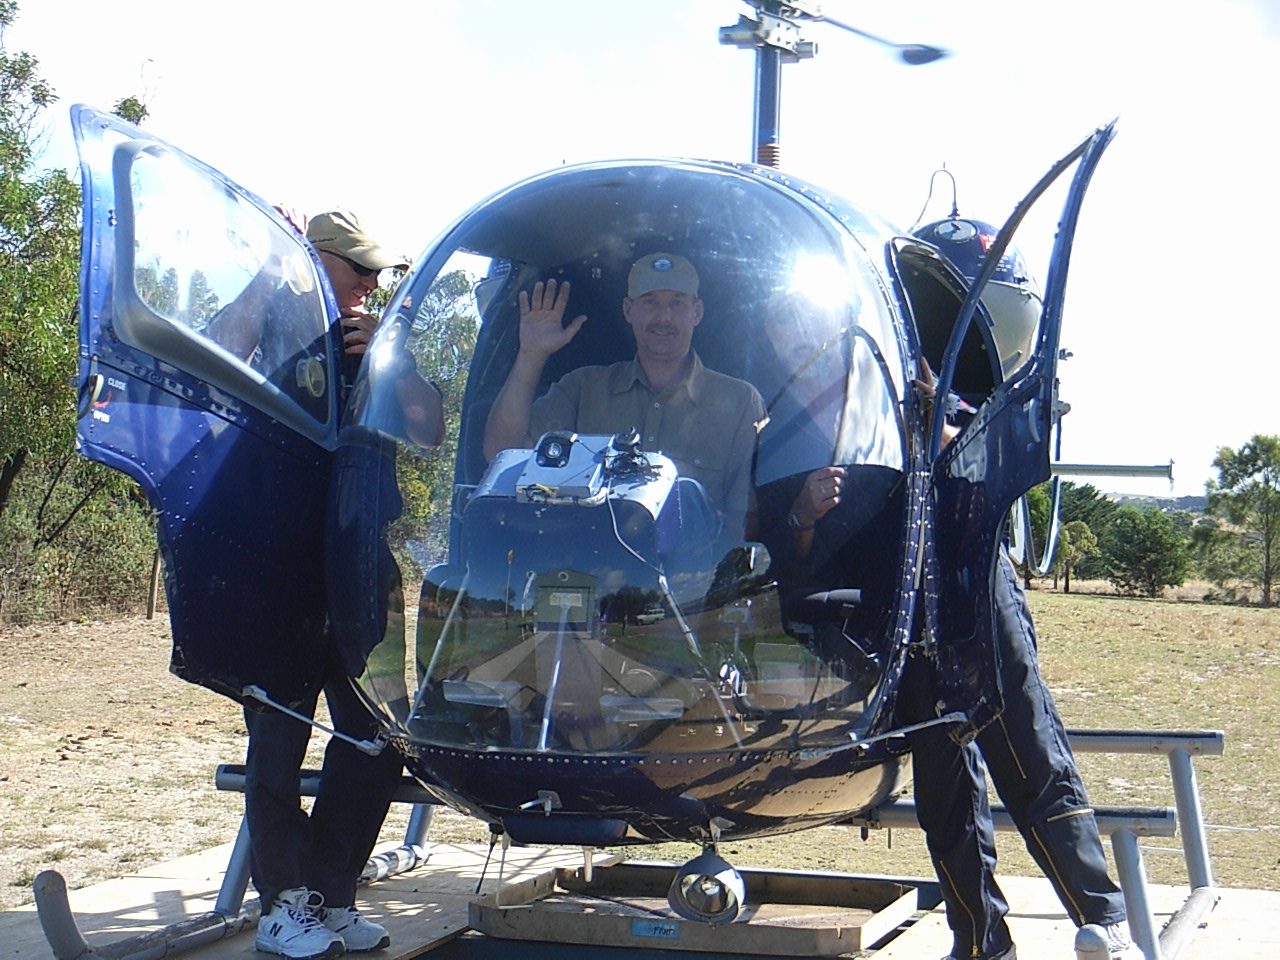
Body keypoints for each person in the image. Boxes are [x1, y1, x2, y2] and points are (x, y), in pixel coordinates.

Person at [244, 210, 439, 959]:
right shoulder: (266, 333)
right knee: (277, 740)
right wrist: (270, 281)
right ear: (309, 261)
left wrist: (391, 363)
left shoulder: (379, 343)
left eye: (377, 272)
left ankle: (328, 896)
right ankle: (281, 904)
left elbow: (428, 431)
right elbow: (219, 361)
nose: (368, 284)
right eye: (353, 266)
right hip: (281, 568)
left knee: (377, 738)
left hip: (363, 568)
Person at [482, 252, 764, 541]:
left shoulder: (740, 402)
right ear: (628, 310)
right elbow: (501, 453)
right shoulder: (583, 388)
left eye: (677, 303)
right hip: (589, 577)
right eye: (650, 301)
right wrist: (531, 355)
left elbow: (746, 523)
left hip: (693, 584)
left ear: (697, 312)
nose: (664, 316)